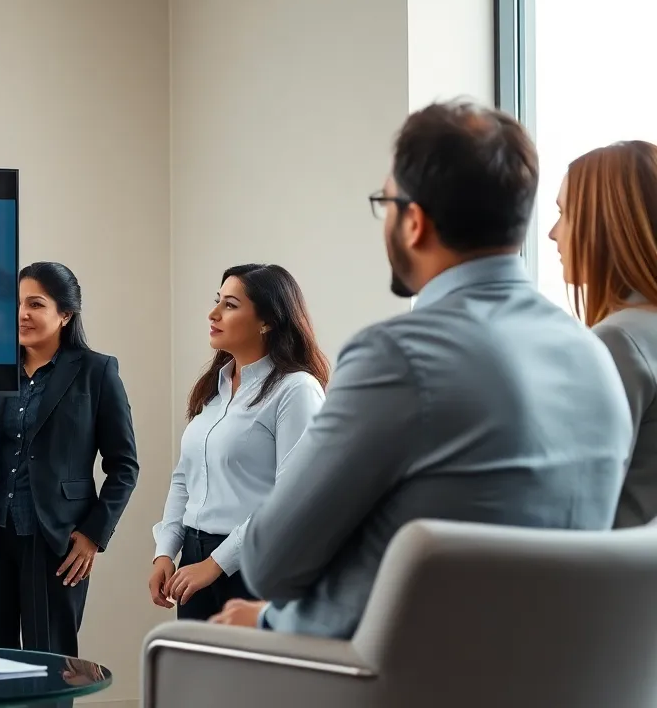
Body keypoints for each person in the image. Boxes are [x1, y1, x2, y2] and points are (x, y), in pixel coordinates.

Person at [212, 100, 631, 637]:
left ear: (413, 222)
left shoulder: (397, 357)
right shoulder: (592, 355)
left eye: (385, 202)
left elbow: (272, 562)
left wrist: (272, 616)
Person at [0, 261, 139, 656]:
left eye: (35, 304)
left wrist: (94, 534)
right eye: (16, 304)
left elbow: (124, 465)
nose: (22, 314)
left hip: (57, 542)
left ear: (65, 314)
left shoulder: (96, 372)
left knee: (52, 663)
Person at [149, 263, 328, 620]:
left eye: (230, 305)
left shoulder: (295, 390)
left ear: (268, 321)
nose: (213, 314)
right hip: (194, 563)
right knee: (195, 674)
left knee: (249, 676)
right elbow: (185, 478)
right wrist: (165, 551)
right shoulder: (212, 390)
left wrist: (216, 563)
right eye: (218, 301)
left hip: (253, 567)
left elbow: (291, 497)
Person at [549, 140, 657, 528]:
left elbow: (573, 505)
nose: (552, 233)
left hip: (610, 581)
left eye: (565, 213)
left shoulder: (618, 343)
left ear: (605, 224)